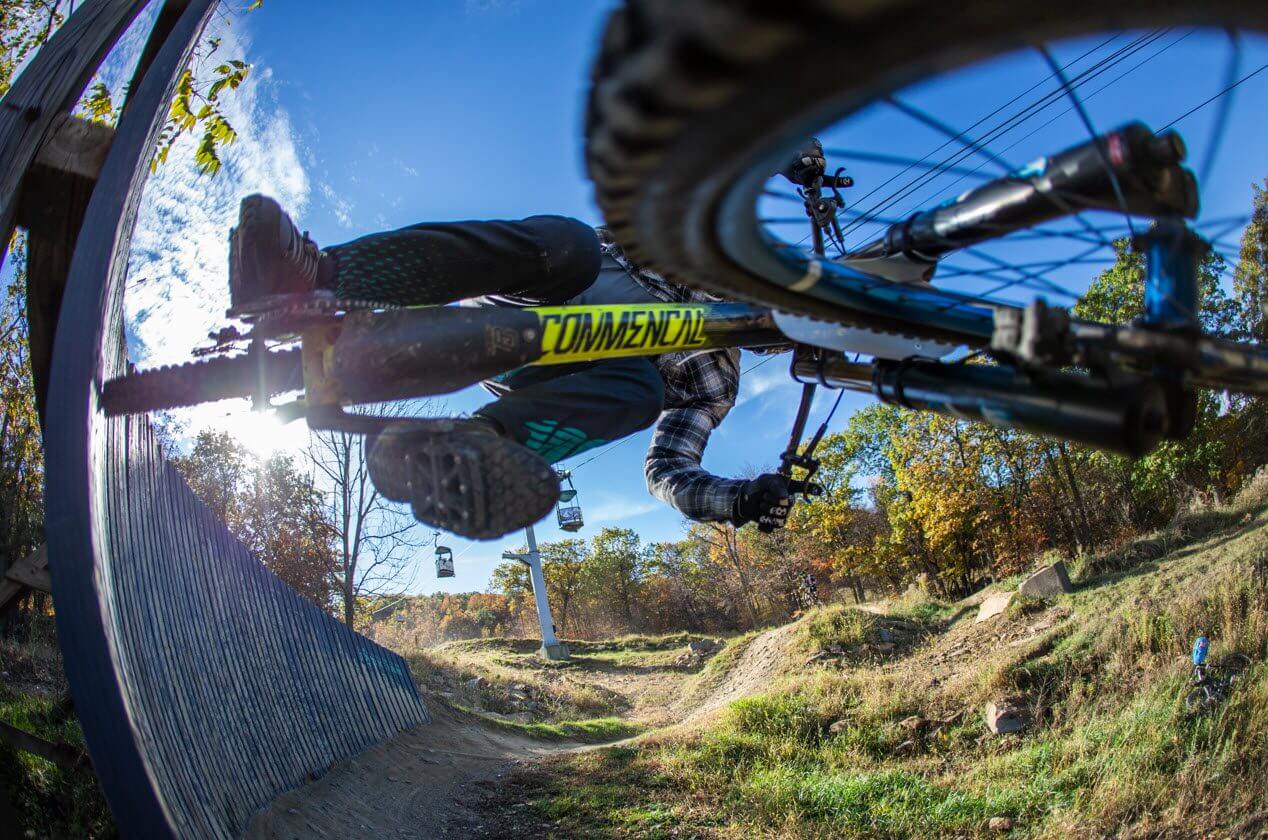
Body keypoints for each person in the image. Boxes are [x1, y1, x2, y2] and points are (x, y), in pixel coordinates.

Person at [227, 146, 829, 540]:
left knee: (643, 387)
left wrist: (740, 500)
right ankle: (317, 276)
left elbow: (667, 470)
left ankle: (474, 450)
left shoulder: (713, 380)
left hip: (544, 376)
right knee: (575, 245)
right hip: (525, 299)